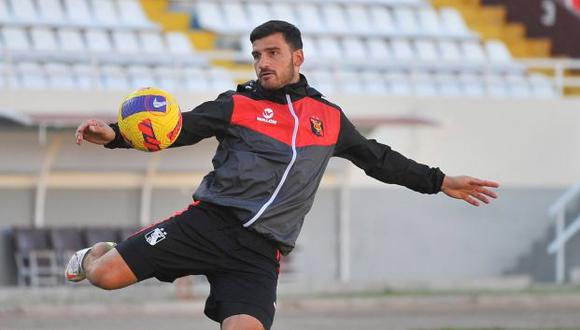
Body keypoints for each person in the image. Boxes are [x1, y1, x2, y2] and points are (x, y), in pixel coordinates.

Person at [67, 20, 499, 330]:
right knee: (105, 277)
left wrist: (440, 181)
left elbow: (378, 159)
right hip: (208, 225)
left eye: (272, 53)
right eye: (256, 55)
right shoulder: (236, 104)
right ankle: (96, 254)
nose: (262, 63)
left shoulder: (328, 118)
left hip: (259, 252)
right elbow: (181, 127)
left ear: (298, 56)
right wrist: (116, 135)